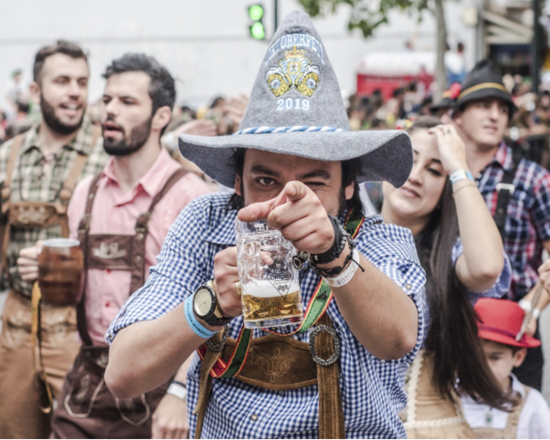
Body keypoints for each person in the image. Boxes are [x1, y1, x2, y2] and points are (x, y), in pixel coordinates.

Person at [105, 10, 426, 439]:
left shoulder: (381, 240)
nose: (286, 201)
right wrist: (211, 305)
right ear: (236, 179)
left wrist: (335, 253)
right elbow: (123, 375)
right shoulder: (205, 222)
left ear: (349, 186)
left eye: (313, 181)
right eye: (265, 180)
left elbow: (397, 340)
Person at [18, 53, 210, 439]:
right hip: (87, 383)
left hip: (159, 390)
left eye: (127, 102)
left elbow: (214, 308)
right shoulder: (85, 194)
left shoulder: (191, 197)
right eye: (107, 100)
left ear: (160, 117)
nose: (110, 111)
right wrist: (48, 269)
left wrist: (180, 389)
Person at [0, 40, 108, 440]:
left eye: (82, 81)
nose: (75, 92)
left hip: (79, 326)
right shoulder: (8, 155)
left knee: (82, 431)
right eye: (62, 81)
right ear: (34, 91)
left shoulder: (107, 155)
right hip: (15, 322)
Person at [381, 116, 512, 438]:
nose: (415, 176)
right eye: (409, 160)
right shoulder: (342, 242)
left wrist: (459, 168)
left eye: (435, 170)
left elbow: (486, 268)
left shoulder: (450, 258)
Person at [452, 59, 550, 390]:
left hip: (512, 335)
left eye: (502, 108)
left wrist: (531, 308)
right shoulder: (440, 176)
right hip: (453, 332)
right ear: (458, 116)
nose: (494, 115)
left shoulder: (534, 179)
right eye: (482, 105)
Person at [461, 298, 550, 439]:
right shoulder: (449, 398)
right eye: (476, 357)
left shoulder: (532, 405)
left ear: (518, 357)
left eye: (494, 357)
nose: (483, 367)